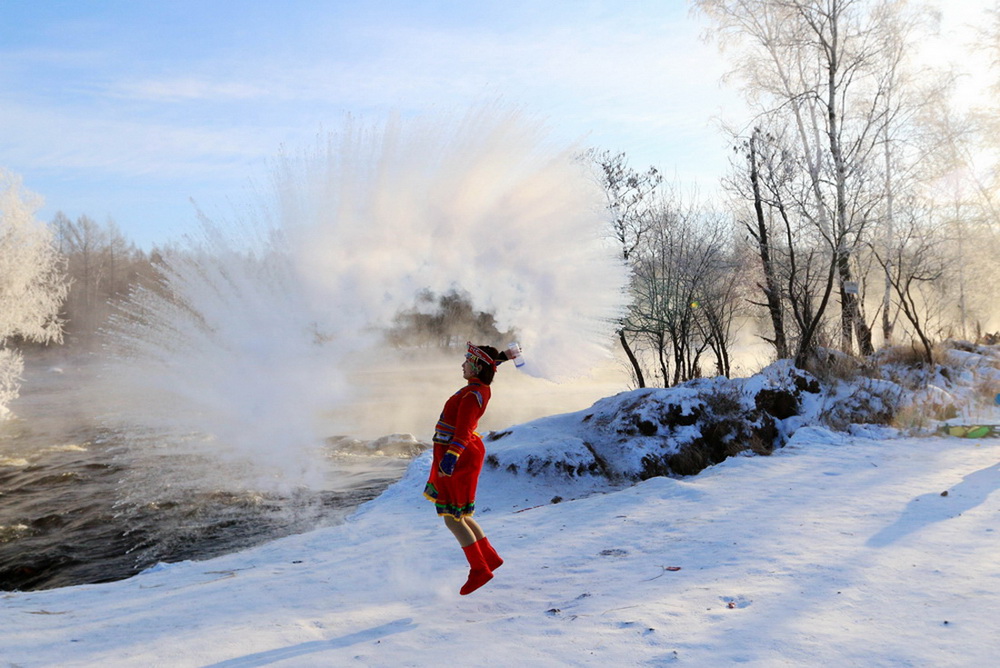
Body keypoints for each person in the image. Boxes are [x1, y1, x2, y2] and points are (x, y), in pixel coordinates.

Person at [424, 342, 508, 595]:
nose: (462, 364)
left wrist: (449, 461)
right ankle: (489, 557)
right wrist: (500, 358)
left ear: (476, 366)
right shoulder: (479, 388)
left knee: (453, 517)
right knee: (461, 514)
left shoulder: (472, 395)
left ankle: (479, 569)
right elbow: (489, 368)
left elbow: (462, 431)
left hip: (458, 455)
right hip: (459, 453)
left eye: (467, 361)